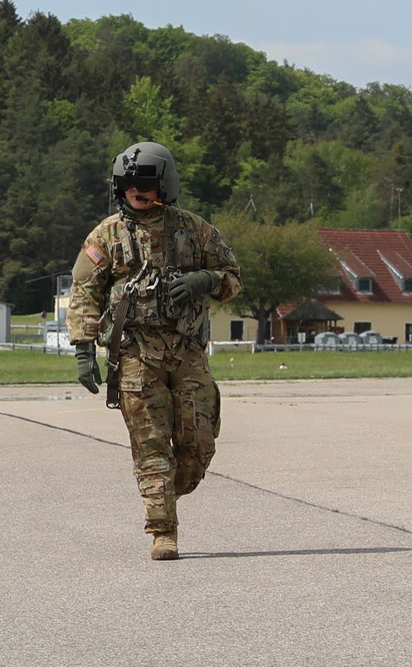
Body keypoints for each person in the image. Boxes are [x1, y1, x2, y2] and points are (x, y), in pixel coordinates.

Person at [66, 142, 242, 561]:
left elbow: (233, 278)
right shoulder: (105, 235)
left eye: (146, 187)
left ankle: (166, 492)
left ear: (166, 186)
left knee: (198, 447)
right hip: (135, 354)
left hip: (186, 350)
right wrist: (83, 349)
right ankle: (163, 530)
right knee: (151, 446)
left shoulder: (195, 230)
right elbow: (85, 292)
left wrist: (204, 280)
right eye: (129, 188)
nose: (137, 195)